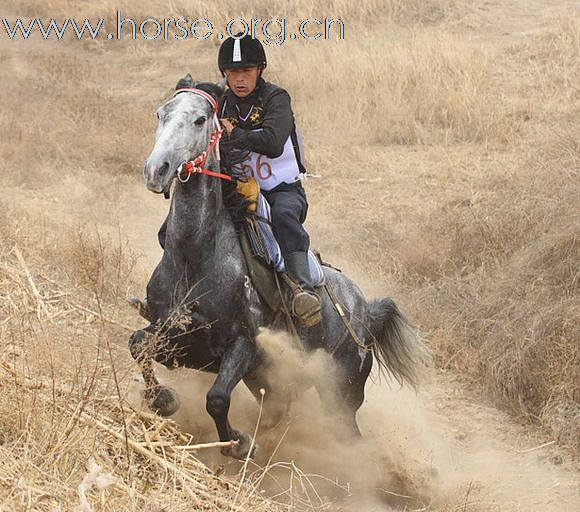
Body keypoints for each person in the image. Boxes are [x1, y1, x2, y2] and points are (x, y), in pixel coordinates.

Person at [217, 34, 321, 327]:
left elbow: (274, 142)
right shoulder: (220, 103)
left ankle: (304, 292)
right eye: (233, 72)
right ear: (225, 73)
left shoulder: (277, 98)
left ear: (260, 70)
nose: (239, 79)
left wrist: (234, 134)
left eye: (246, 71)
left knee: (285, 215)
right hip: (234, 189)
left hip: (282, 190)